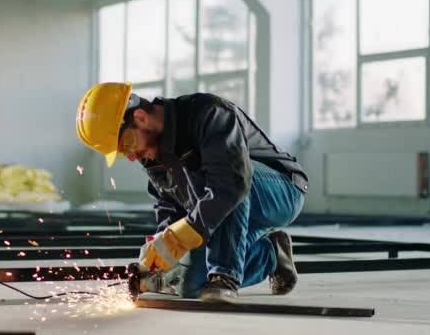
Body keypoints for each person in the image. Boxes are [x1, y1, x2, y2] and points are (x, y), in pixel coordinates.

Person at [76, 82, 308, 303]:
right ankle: (271, 255)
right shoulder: (151, 153)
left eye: (126, 144)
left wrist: (185, 235)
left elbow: (231, 183)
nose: (131, 156)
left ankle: (225, 277)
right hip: (227, 202)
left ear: (140, 117)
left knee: (224, 181)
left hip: (281, 190)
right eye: (121, 152)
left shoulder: (208, 113)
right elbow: (169, 209)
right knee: (193, 284)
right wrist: (161, 257)